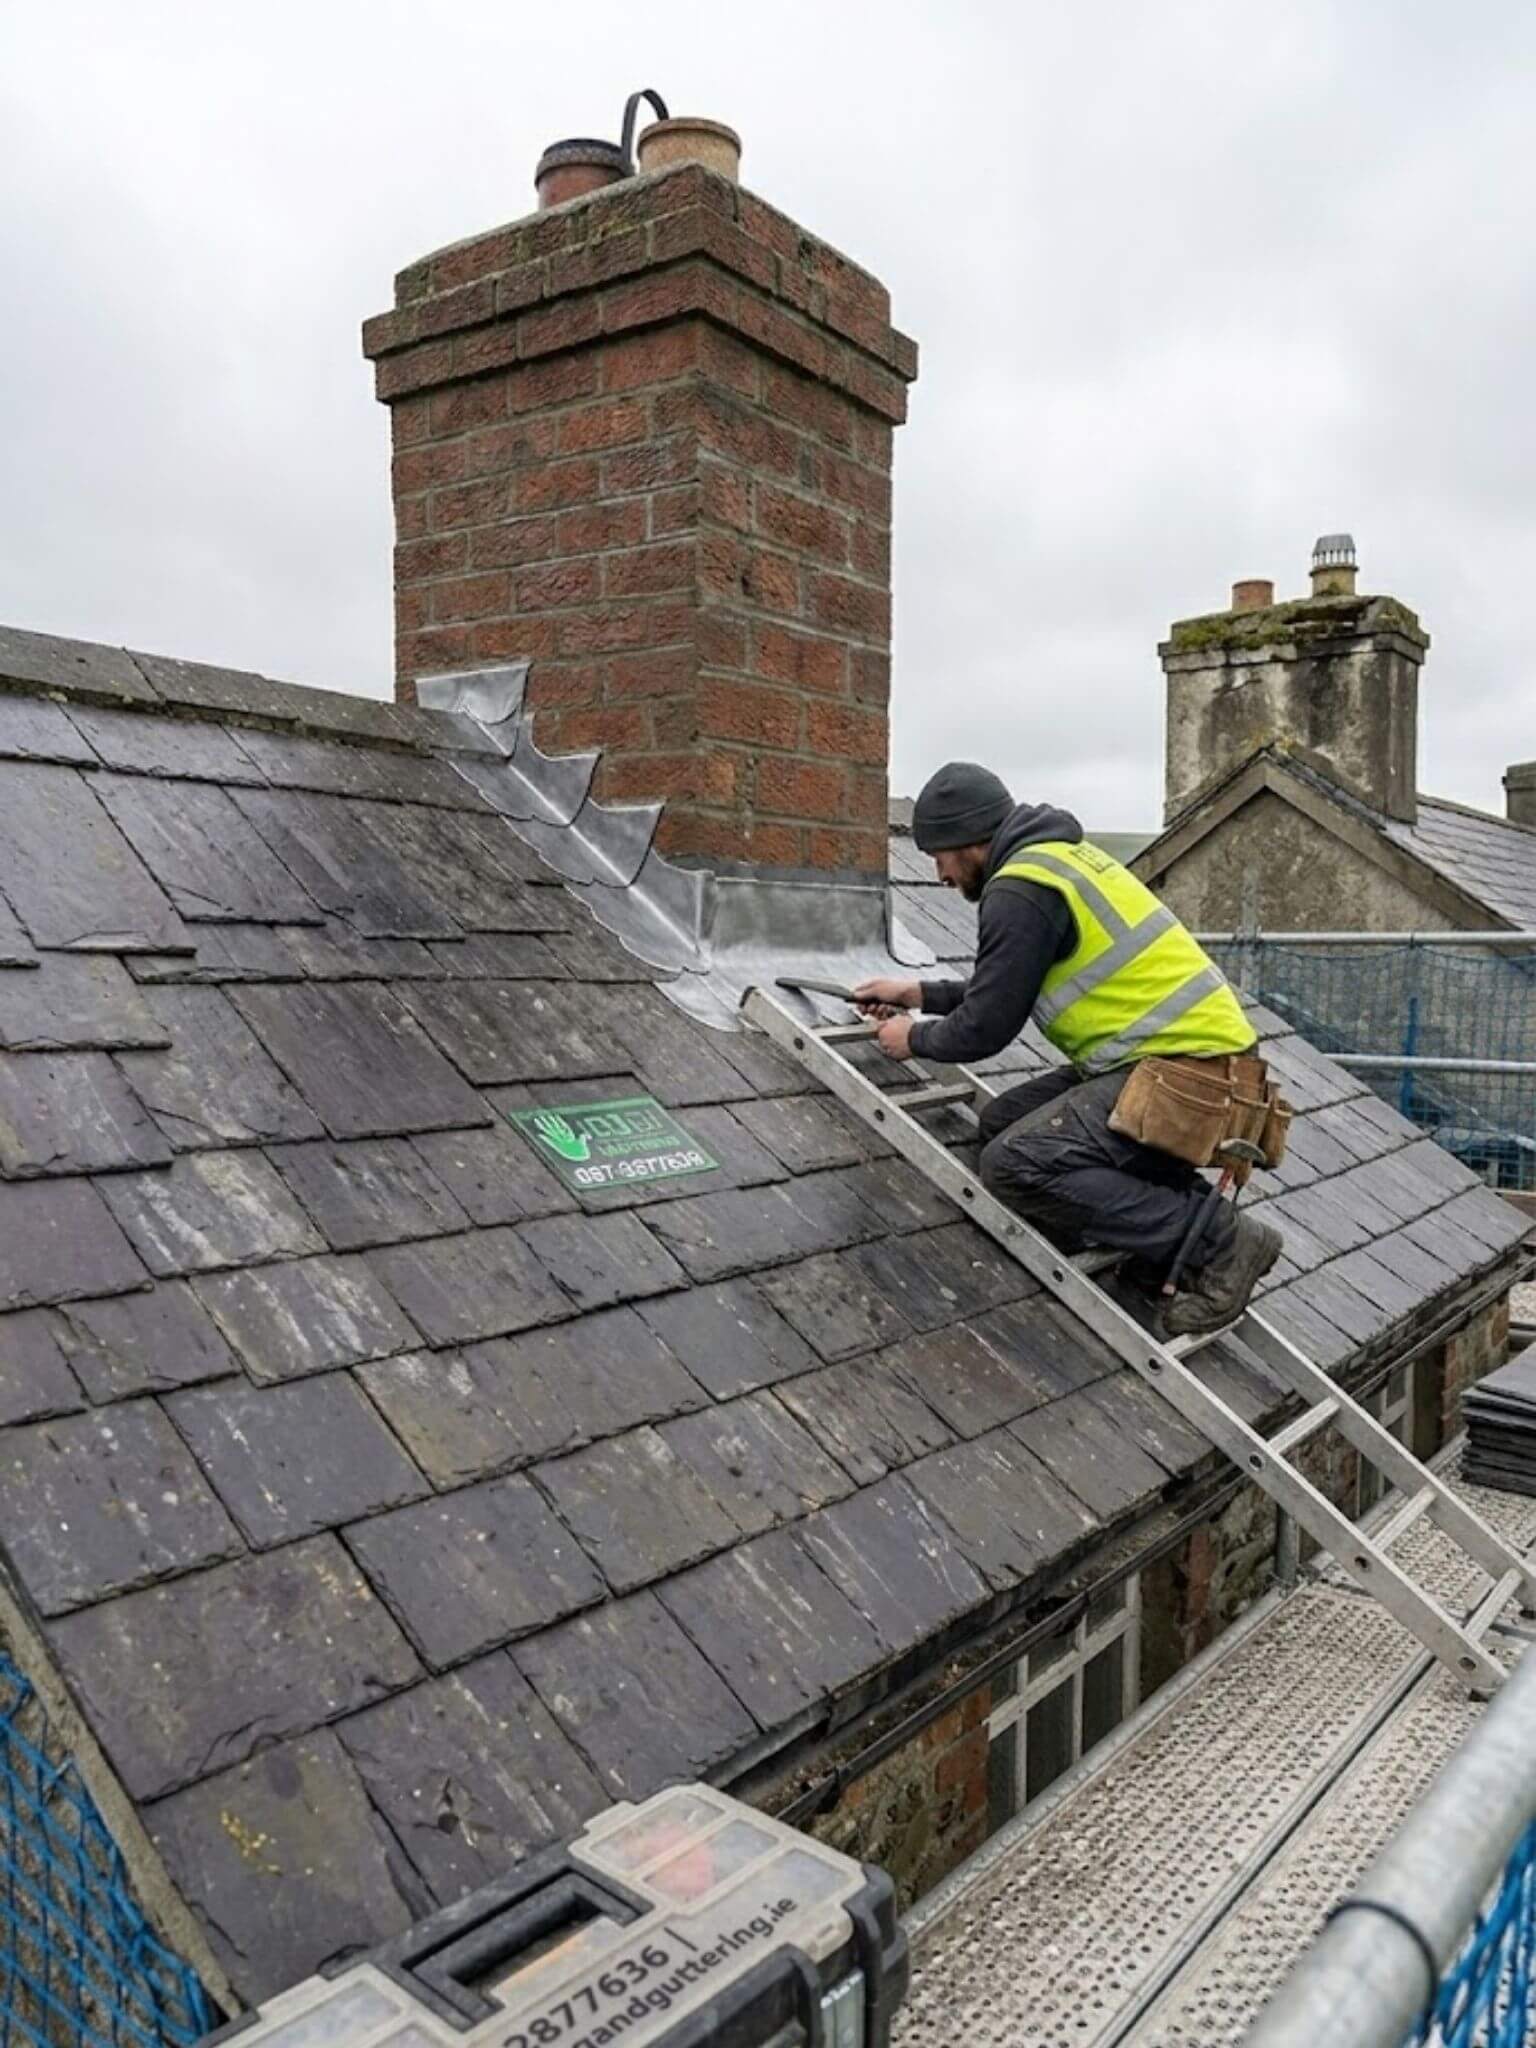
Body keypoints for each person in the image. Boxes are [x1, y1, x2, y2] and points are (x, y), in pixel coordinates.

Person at [855, 762, 1281, 1337]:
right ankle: (1162, 1250)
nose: (939, 874)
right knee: (1004, 1121)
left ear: (970, 841)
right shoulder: (1054, 863)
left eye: (941, 855)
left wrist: (914, 1038)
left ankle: (1220, 1242)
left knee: (1014, 1164)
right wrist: (917, 993)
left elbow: (986, 1028)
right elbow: (1004, 987)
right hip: (1198, 1070)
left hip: (1189, 1078)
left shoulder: (1020, 890)